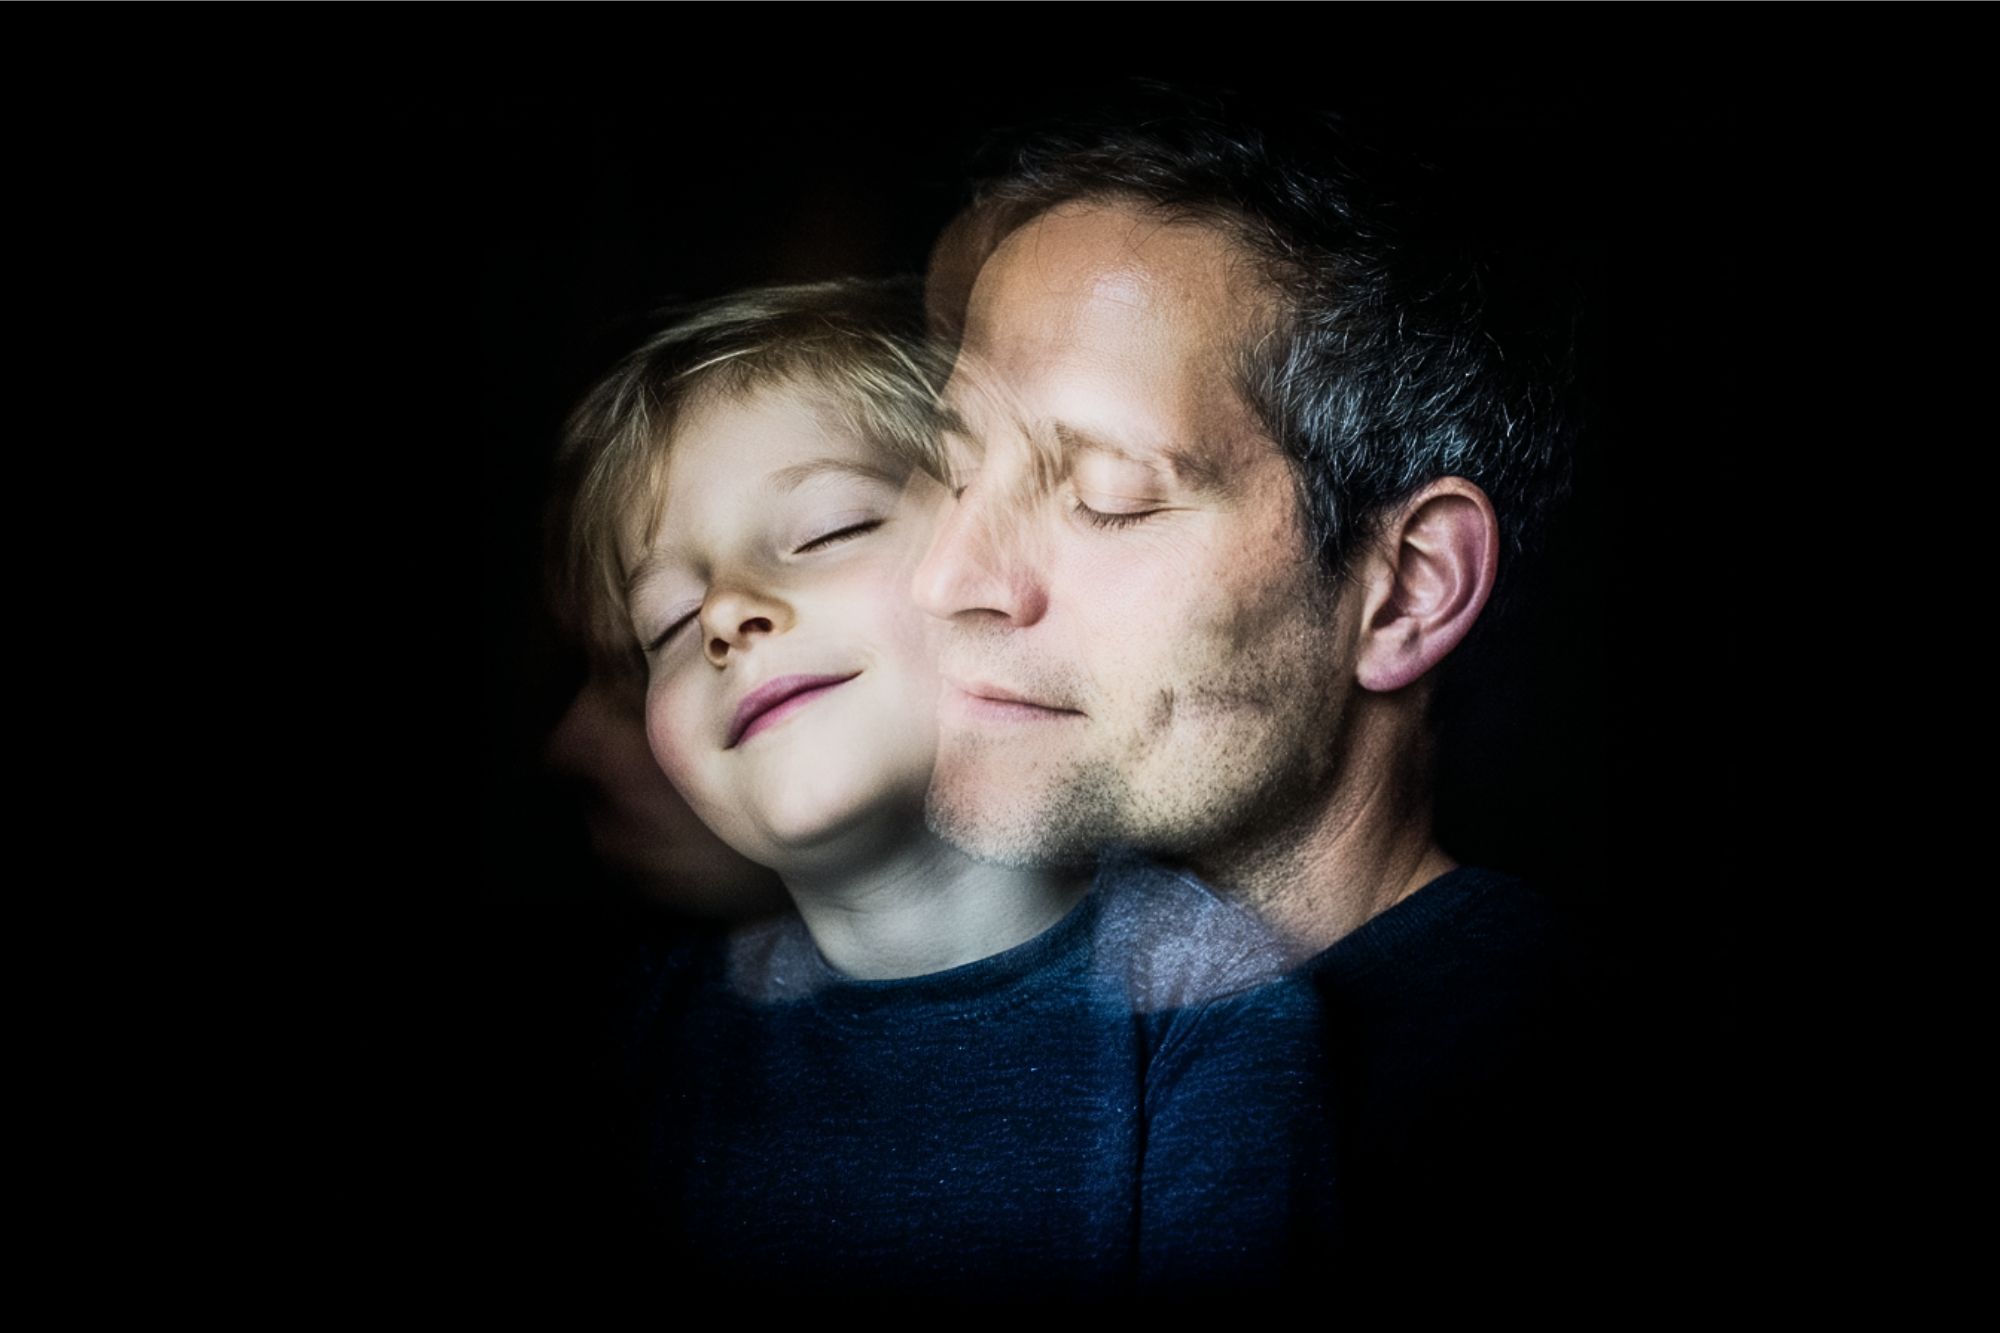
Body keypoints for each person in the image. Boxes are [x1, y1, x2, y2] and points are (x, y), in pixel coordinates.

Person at [916, 94, 1682, 1284]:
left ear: (1406, 590)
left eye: (1107, 494)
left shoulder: (1552, 1119)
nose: (942, 578)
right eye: (949, 472)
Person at [561, 278, 1332, 1295]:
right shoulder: (641, 1046)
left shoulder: (1210, 1006)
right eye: (664, 622)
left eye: (828, 530)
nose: (724, 614)